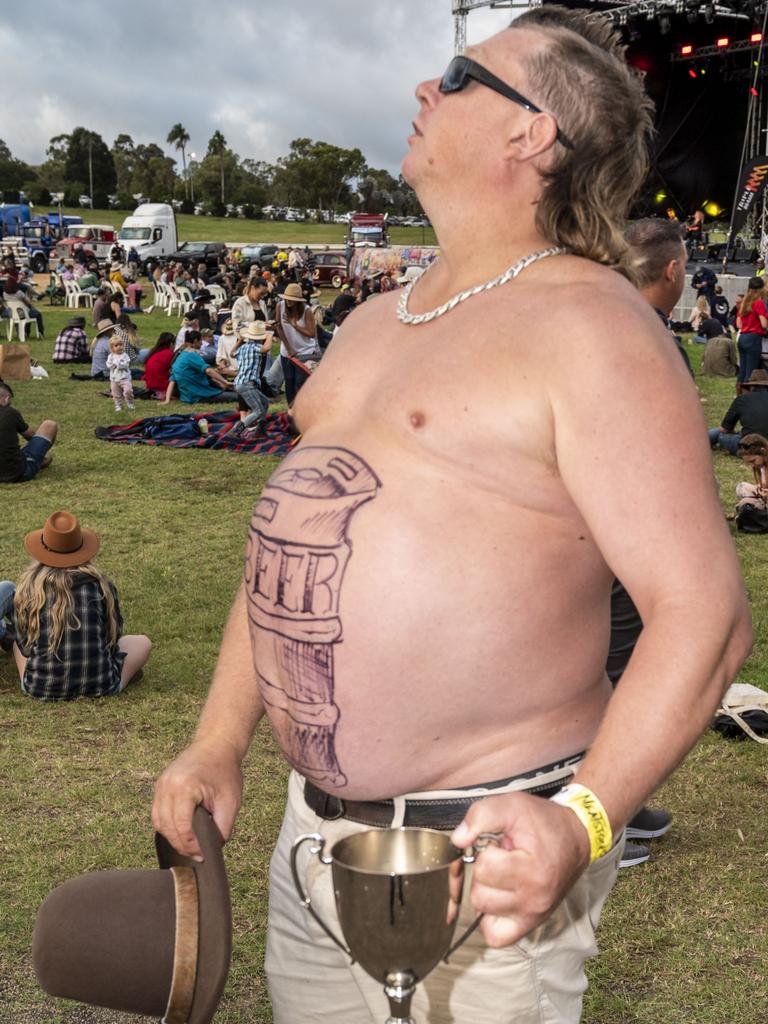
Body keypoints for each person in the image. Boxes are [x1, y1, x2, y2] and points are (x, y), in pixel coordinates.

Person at [153, 9, 751, 1024]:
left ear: (533, 134)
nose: (424, 91)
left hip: (485, 865)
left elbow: (706, 616)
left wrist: (582, 824)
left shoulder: (594, 327)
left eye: (458, 76)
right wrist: (217, 741)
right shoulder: (373, 321)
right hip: (310, 843)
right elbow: (290, 552)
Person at [11, 510, 151, 700]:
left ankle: (39, 675)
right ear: (81, 549)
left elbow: (25, 646)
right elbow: (113, 637)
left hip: (40, 689)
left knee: (14, 644)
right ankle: (116, 674)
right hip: (102, 686)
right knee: (142, 642)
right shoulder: (102, 586)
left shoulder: (29, 589)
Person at [223, 321, 274, 441]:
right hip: (247, 384)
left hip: (240, 383)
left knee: (265, 402)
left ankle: (260, 429)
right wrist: (270, 335)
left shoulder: (243, 348)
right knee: (258, 410)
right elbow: (266, 348)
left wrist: (240, 340)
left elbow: (232, 353)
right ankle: (236, 430)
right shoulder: (256, 347)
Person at [0, 381, 57, 484]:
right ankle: (38, 461)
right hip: (18, 473)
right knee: (49, 425)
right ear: (6, 399)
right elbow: (30, 436)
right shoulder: (10, 412)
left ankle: (38, 460)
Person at [275, 282, 319, 405]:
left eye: (291, 300)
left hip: (305, 352)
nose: (288, 302)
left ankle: (302, 409)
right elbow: (278, 326)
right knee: (289, 381)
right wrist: (289, 348)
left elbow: (311, 333)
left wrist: (295, 325)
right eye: (287, 299)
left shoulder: (306, 310)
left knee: (300, 382)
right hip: (287, 351)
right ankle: (291, 410)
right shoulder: (280, 306)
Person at [709, 368, 768, 453]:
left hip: (749, 447)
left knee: (721, 435)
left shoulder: (742, 399)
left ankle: (702, 440)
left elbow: (725, 429)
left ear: (751, 386)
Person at [165, 334, 235, 405]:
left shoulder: (180, 357)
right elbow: (208, 371)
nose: (202, 343)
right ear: (195, 341)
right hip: (201, 395)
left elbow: (172, 381)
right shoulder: (192, 355)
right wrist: (225, 382)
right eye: (201, 340)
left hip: (187, 398)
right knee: (238, 396)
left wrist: (167, 400)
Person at [736, 277, 767, 387]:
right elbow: (764, 324)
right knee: (751, 373)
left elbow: (739, 324)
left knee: (742, 372)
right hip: (753, 339)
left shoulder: (744, 303)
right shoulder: (758, 303)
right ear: (761, 289)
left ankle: (739, 396)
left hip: (742, 337)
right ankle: (748, 398)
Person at [142, 332, 176, 399]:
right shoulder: (168, 354)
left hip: (151, 386)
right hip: (162, 386)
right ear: (171, 344)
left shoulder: (154, 352)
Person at [106, 335, 135, 413]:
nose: (119, 347)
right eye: (116, 345)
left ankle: (130, 402)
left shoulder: (125, 356)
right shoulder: (111, 356)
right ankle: (118, 405)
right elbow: (109, 365)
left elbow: (126, 365)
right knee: (116, 393)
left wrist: (117, 364)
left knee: (128, 390)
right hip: (114, 379)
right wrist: (114, 365)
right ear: (112, 348)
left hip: (125, 377)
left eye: (120, 345)